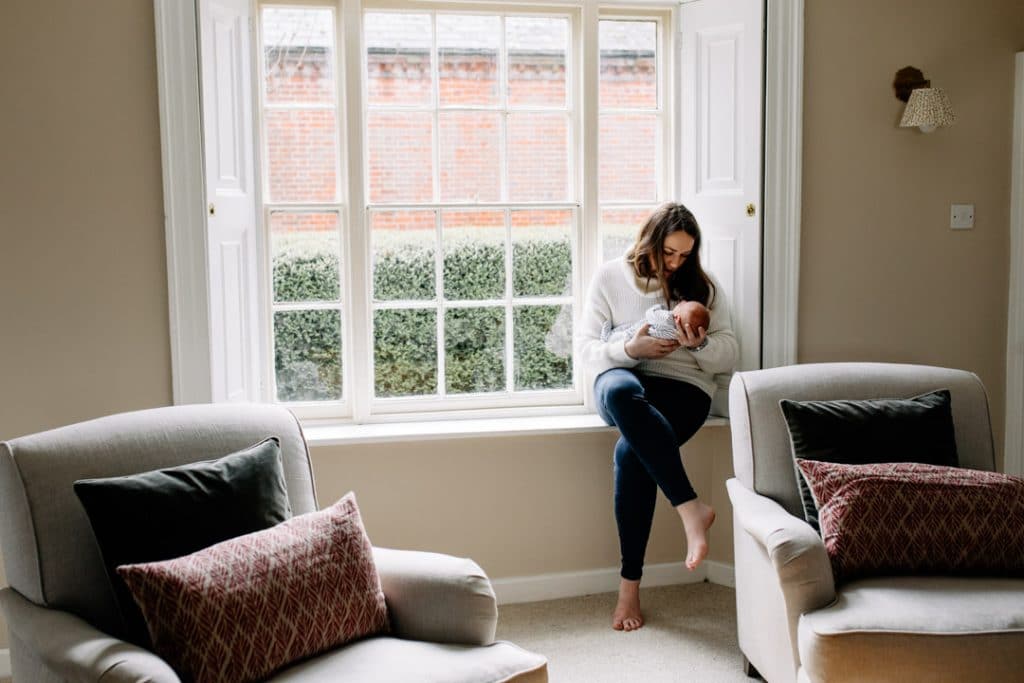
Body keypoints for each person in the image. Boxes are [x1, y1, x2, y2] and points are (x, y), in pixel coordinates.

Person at [576, 202, 739, 632]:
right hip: (624, 379)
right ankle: (691, 509)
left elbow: (729, 352)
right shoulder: (611, 276)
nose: (675, 263)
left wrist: (697, 345)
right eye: (669, 252)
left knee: (632, 457)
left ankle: (629, 588)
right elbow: (586, 349)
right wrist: (632, 350)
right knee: (621, 389)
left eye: (685, 255)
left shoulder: (703, 287)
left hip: (684, 390)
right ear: (649, 240)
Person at [600, 300, 711, 345]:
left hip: (637, 334)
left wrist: (658, 307)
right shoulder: (677, 337)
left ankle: (607, 337)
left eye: (683, 304)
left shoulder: (667, 318)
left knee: (625, 332)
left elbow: (651, 315)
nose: (682, 302)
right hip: (644, 340)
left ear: (677, 318)